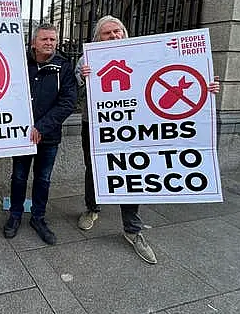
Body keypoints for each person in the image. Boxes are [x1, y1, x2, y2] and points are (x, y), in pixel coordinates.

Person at [75, 15, 220, 264]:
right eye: (107, 33)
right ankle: (92, 208)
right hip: (97, 126)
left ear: (125, 33)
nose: (113, 36)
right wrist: (82, 77)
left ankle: (132, 229)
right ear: (97, 37)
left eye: (117, 31)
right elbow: (73, 88)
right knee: (95, 168)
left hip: (132, 127)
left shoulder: (143, 54)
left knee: (131, 171)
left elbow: (174, 76)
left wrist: (205, 87)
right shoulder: (87, 59)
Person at [3, 24, 77, 244]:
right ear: (33, 42)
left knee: (43, 179)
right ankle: (15, 215)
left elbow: (68, 102)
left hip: (48, 136)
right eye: (44, 39)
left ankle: (38, 217)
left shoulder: (63, 66)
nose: (49, 43)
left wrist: (41, 127)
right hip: (21, 135)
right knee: (18, 177)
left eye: (53, 40)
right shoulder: (19, 63)